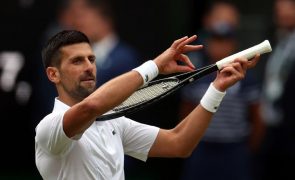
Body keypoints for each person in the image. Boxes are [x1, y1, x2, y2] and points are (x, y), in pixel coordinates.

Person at [34, 30, 259, 179]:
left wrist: (218, 88)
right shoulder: (48, 127)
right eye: (77, 61)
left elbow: (180, 143)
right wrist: (155, 66)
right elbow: (91, 107)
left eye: (91, 59)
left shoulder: (114, 122)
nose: (88, 67)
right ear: (54, 74)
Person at [179, 1, 265, 180]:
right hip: (201, 147)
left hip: (234, 149)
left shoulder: (246, 77)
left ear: (233, 44)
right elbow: (185, 111)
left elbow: (257, 117)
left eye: (225, 41)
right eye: (216, 40)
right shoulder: (196, 73)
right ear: (208, 42)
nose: (220, 47)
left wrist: (247, 149)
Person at [260, 0, 295, 179]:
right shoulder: (278, 39)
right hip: (272, 124)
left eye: (290, 8)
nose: (284, 13)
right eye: (279, 10)